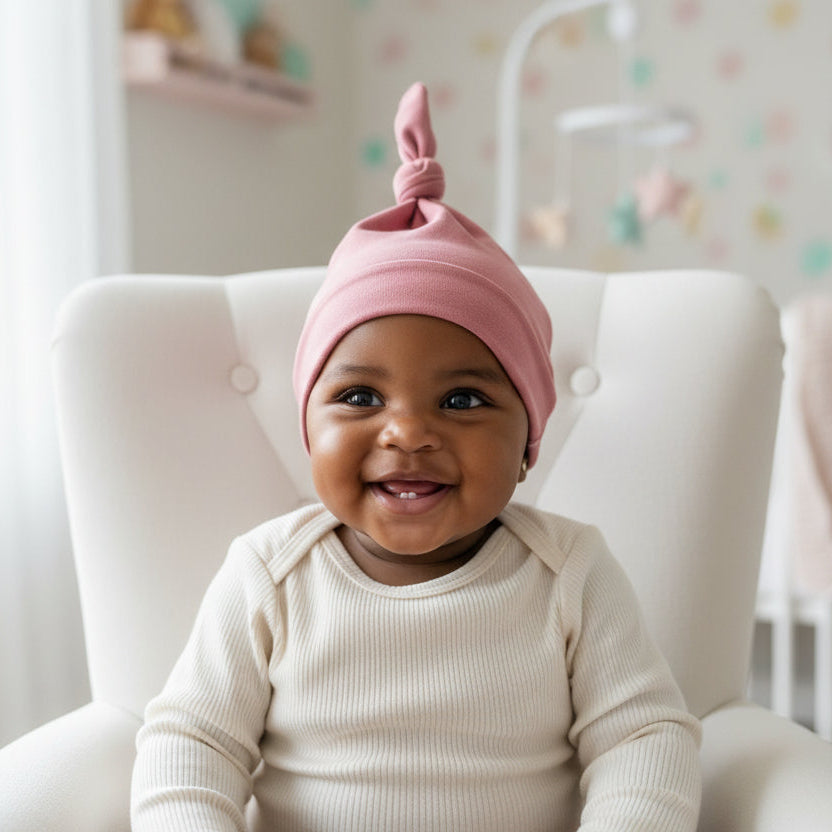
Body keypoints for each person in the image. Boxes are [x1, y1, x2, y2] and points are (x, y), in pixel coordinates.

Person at [131, 83, 701, 832]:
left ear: (527, 446)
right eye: (361, 399)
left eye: (462, 401)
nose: (407, 433)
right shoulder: (268, 575)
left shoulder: (571, 574)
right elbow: (191, 743)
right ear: (309, 431)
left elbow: (643, 737)